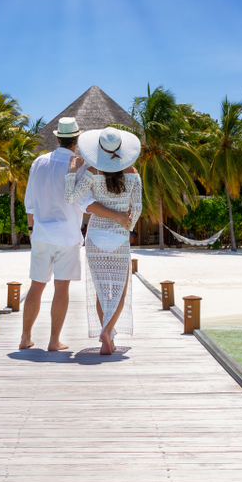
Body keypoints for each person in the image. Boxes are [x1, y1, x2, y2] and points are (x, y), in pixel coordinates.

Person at [20, 118, 131, 352]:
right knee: (61, 288)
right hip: (68, 236)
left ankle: (25, 337)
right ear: (77, 140)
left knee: (36, 286)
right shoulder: (79, 165)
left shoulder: (38, 162)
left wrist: (32, 231)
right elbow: (86, 203)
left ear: (57, 137)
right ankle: (53, 341)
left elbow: (29, 203)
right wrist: (118, 216)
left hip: (40, 234)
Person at [65, 127, 142, 354]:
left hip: (96, 236)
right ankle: (108, 332)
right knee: (120, 289)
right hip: (119, 237)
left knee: (101, 290)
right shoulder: (133, 173)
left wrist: (72, 171)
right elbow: (136, 208)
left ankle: (106, 333)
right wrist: (129, 226)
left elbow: (70, 197)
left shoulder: (92, 171)